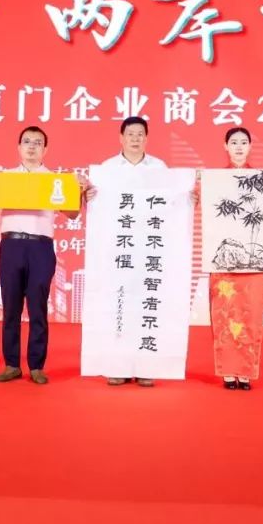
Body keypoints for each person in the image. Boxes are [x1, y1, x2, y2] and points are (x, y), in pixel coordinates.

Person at [84, 116, 166, 387]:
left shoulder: (159, 169)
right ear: (121, 137)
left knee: (146, 307)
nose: (135, 138)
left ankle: (145, 366)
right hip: (118, 251)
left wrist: (188, 198)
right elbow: (99, 208)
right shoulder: (106, 169)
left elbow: (170, 204)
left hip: (148, 250)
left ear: (146, 138)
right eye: (130, 134)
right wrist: (88, 197)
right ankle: (117, 365)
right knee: (118, 306)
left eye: (140, 134)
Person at [0, 125, 80, 385]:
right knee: (11, 308)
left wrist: (78, 191)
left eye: (37, 142)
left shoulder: (56, 180)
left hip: (40, 248)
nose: (31, 146)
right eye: (27, 142)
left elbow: (73, 213)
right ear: (19, 147)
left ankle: (36, 366)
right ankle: (11, 364)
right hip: (11, 245)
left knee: (37, 308)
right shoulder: (4, 177)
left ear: (45, 149)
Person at [208, 127, 263, 391]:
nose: (239, 147)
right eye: (234, 142)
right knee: (225, 314)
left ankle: (245, 372)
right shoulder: (215, 180)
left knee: (251, 314)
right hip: (224, 263)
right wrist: (197, 193)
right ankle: (228, 372)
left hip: (253, 262)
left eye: (244, 142)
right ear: (225, 146)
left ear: (251, 146)